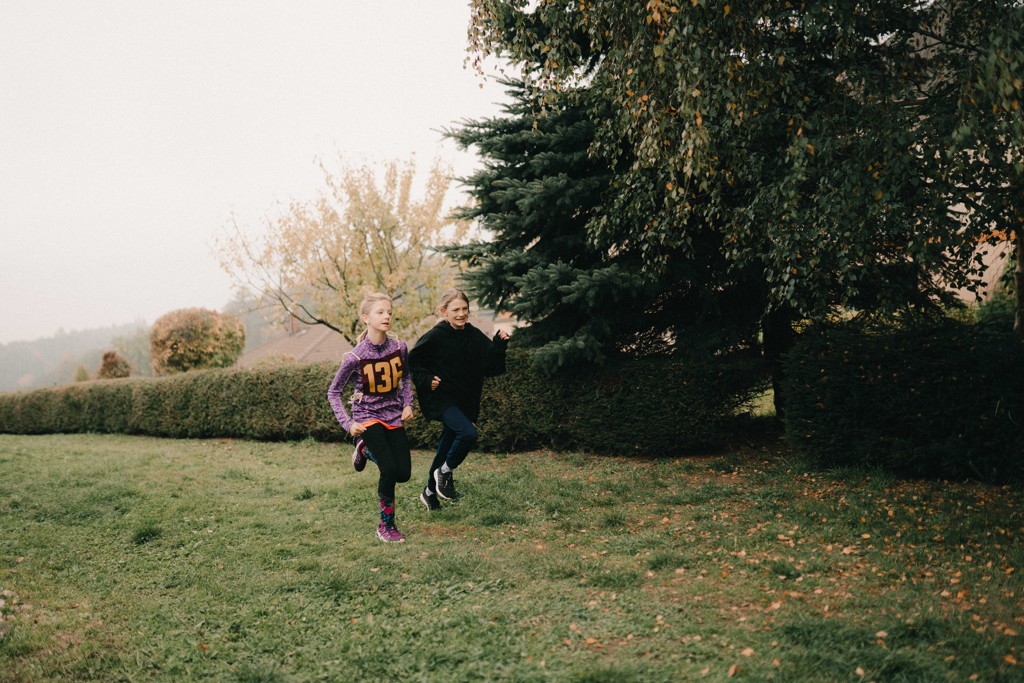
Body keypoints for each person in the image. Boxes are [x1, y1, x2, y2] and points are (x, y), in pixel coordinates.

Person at [408, 288, 509, 511]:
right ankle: (444, 472)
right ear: (444, 311)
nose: (461, 314)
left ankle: (429, 493)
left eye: (465, 309)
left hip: (465, 399)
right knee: (468, 434)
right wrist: (426, 380)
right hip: (442, 398)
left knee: (447, 444)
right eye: (456, 310)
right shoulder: (435, 336)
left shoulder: (473, 335)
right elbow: (412, 363)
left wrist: (499, 346)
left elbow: (490, 367)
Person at [327, 293, 414, 543]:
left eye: (389, 312)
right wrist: (348, 424)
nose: (387, 316)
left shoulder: (399, 348)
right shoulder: (355, 357)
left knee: (403, 473)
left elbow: (406, 377)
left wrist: (408, 403)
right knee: (389, 469)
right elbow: (333, 392)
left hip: (393, 416)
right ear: (365, 318)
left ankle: (363, 450)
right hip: (367, 416)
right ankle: (386, 526)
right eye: (380, 312)